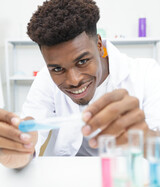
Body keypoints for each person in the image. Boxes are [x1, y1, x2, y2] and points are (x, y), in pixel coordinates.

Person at [0, 0, 160, 168]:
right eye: (57, 69)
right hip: (70, 182)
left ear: (99, 45)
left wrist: (144, 138)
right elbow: (32, 132)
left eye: (82, 61)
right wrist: (20, 152)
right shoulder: (45, 79)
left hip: (122, 181)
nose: (74, 80)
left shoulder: (146, 72)